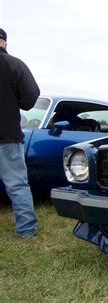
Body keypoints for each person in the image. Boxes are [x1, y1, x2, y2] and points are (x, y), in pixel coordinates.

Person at [0, 28, 40, 238]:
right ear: (4, 42)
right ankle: (26, 230)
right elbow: (31, 96)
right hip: (7, 134)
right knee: (16, 184)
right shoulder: (15, 64)